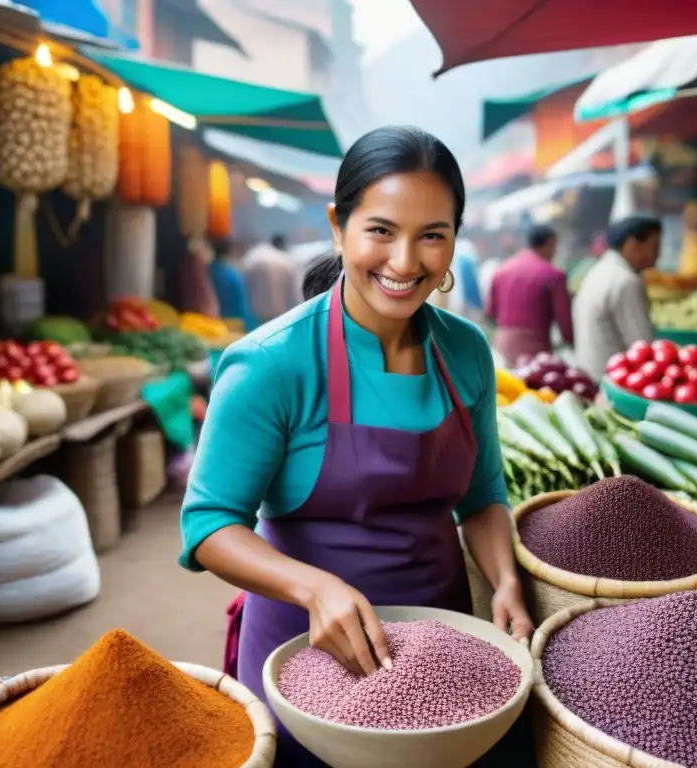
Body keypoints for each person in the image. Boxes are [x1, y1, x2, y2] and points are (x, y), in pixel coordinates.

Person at [179, 125, 534, 767]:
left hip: (446, 654)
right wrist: (315, 589)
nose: (404, 262)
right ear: (338, 226)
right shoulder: (271, 365)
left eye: (432, 234)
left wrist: (505, 580)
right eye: (380, 231)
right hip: (307, 660)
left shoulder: (466, 352)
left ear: (456, 238)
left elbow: (482, 497)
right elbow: (207, 524)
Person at [572, 216, 660, 379]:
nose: (658, 256)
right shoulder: (626, 281)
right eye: (654, 247)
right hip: (612, 382)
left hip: (589, 374)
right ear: (632, 245)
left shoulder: (598, 271)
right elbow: (642, 346)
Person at [486, 225, 573, 366]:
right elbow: (565, 323)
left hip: (502, 349)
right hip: (536, 353)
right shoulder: (554, 275)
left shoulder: (502, 270)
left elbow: (490, 314)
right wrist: (572, 342)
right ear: (550, 243)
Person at [241, 234, 302, 324]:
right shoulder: (286, 261)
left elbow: (245, 283)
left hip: (255, 313)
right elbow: (293, 291)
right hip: (279, 314)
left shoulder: (255, 256)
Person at [209, 240, 258, 331]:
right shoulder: (233, 274)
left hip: (211, 326)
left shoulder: (208, 271)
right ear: (229, 251)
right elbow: (243, 305)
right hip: (234, 327)